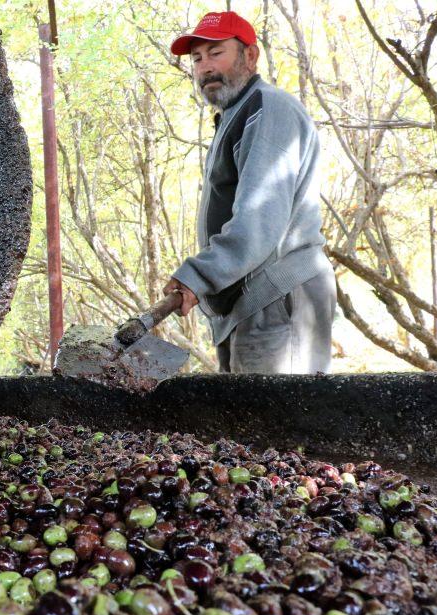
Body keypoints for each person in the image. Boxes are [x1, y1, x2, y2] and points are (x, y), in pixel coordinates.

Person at [165, 11, 336, 374]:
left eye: (216, 53)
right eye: (197, 59)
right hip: (252, 303)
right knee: (246, 424)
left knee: (276, 426)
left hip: (278, 298)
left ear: (250, 56)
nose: (205, 67)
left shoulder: (267, 109)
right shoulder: (237, 114)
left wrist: (199, 275)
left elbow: (259, 217)